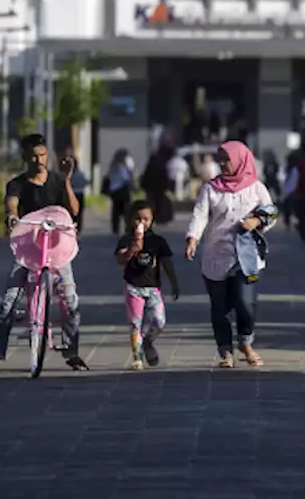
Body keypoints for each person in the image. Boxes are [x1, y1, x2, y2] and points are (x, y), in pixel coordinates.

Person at [0, 133, 87, 373]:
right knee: (8, 302)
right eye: (34, 156)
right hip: (28, 249)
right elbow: (11, 203)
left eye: (43, 155)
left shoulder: (57, 180)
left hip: (56, 248)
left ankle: (72, 352)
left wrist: (67, 181)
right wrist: (12, 216)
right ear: (25, 157)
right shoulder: (17, 184)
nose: (39, 161)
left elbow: (74, 211)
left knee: (70, 301)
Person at [185, 140, 275, 368]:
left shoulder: (256, 187)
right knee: (220, 307)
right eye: (221, 160)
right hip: (216, 256)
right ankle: (225, 351)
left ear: (241, 160)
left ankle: (246, 341)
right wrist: (193, 238)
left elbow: (272, 212)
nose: (224, 164)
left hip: (246, 257)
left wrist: (256, 221)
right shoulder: (211, 188)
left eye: (228, 159)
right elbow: (200, 215)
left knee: (246, 301)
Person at [115, 199, 179, 370]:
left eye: (146, 219)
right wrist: (132, 249)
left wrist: (174, 283)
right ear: (130, 219)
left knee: (159, 321)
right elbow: (120, 259)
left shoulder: (158, 241)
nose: (142, 223)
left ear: (152, 220)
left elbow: (167, 263)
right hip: (133, 287)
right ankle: (137, 357)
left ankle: (148, 342)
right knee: (135, 323)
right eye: (137, 219)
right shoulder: (126, 239)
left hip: (153, 288)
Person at [105, 148, 136, 235]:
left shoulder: (112, 167)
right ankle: (128, 227)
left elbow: (110, 178)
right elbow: (126, 179)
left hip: (114, 191)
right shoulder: (122, 168)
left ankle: (115, 228)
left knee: (115, 210)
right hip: (123, 190)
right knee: (127, 210)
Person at [61, 144, 89, 231]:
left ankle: (74, 228)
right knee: (78, 214)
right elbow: (85, 182)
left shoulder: (68, 174)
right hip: (78, 193)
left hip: (73, 193)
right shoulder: (79, 173)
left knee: (73, 213)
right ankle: (77, 229)